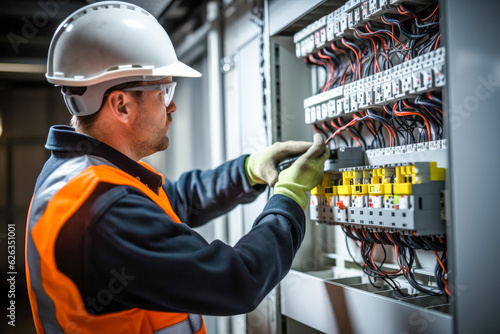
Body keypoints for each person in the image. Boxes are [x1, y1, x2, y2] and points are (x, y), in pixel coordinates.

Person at [25, 2, 329, 334]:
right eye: (163, 91)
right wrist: (289, 198)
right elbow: (238, 282)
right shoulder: (101, 213)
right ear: (121, 105)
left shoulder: (80, 174)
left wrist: (249, 171)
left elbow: (176, 200)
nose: (172, 105)